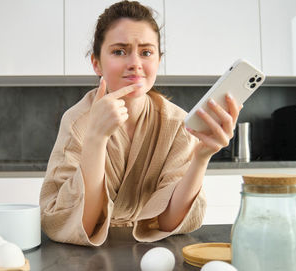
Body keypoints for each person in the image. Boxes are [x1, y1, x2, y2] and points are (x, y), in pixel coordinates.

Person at [39, 1, 242, 246]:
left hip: (149, 249)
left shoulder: (177, 123)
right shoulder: (77, 121)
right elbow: (77, 223)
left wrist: (201, 158)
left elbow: (167, 223)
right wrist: (95, 139)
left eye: (146, 52)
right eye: (119, 51)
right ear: (96, 63)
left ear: (158, 60)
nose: (135, 63)